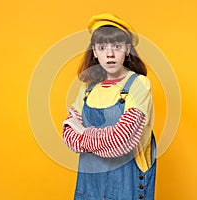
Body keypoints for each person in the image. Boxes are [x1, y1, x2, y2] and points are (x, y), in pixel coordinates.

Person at [63, 13, 156, 200]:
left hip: (126, 190)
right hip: (89, 189)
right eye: (102, 47)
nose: (110, 53)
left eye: (117, 46)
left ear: (127, 50)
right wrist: (98, 137)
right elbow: (69, 135)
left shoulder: (139, 85)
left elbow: (121, 141)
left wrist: (83, 132)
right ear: (95, 52)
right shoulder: (87, 87)